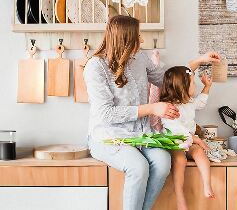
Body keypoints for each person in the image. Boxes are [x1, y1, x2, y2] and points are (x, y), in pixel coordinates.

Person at [83, 15, 221, 210]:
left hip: (142, 135)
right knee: (138, 167)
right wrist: (151, 108)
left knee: (163, 163)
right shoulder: (95, 67)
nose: (141, 40)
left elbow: (168, 79)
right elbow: (105, 113)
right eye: (137, 36)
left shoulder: (139, 58)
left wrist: (198, 60)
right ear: (125, 38)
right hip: (108, 138)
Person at [160, 66, 214, 210]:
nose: (195, 86)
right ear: (182, 87)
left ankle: (207, 184)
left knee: (200, 153)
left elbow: (201, 103)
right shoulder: (168, 106)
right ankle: (179, 196)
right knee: (180, 159)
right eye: (193, 83)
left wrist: (207, 87)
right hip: (174, 141)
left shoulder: (189, 102)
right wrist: (196, 139)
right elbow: (175, 128)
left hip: (189, 140)